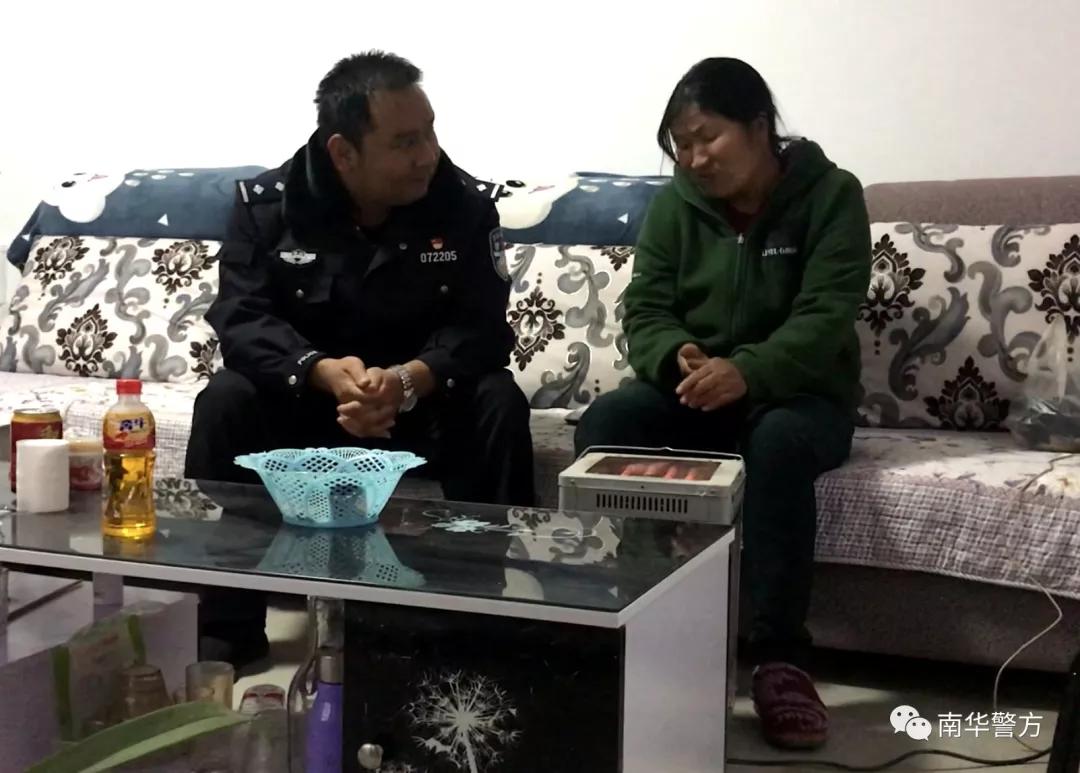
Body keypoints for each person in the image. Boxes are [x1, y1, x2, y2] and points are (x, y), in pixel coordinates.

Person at [186, 51, 535, 667]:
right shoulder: (267, 206)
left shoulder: (462, 204)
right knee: (225, 400)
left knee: (497, 401)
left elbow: (484, 328)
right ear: (344, 152)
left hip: (420, 405)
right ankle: (228, 626)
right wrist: (318, 370)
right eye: (405, 142)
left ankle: (485, 623)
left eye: (429, 132)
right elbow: (241, 319)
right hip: (308, 404)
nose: (428, 154)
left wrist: (411, 378)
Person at [574, 58, 871, 750]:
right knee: (608, 421)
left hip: (801, 395)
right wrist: (675, 353)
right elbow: (645, 307)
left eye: (707, 137)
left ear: (759, 127)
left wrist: (749, 370)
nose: (694, 158)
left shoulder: (831, 195)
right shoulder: (675, 206)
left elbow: (826, 316)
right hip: (698, 389)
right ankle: (630, 620)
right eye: (682, 144)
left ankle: (779, 659)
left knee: (777, 443)